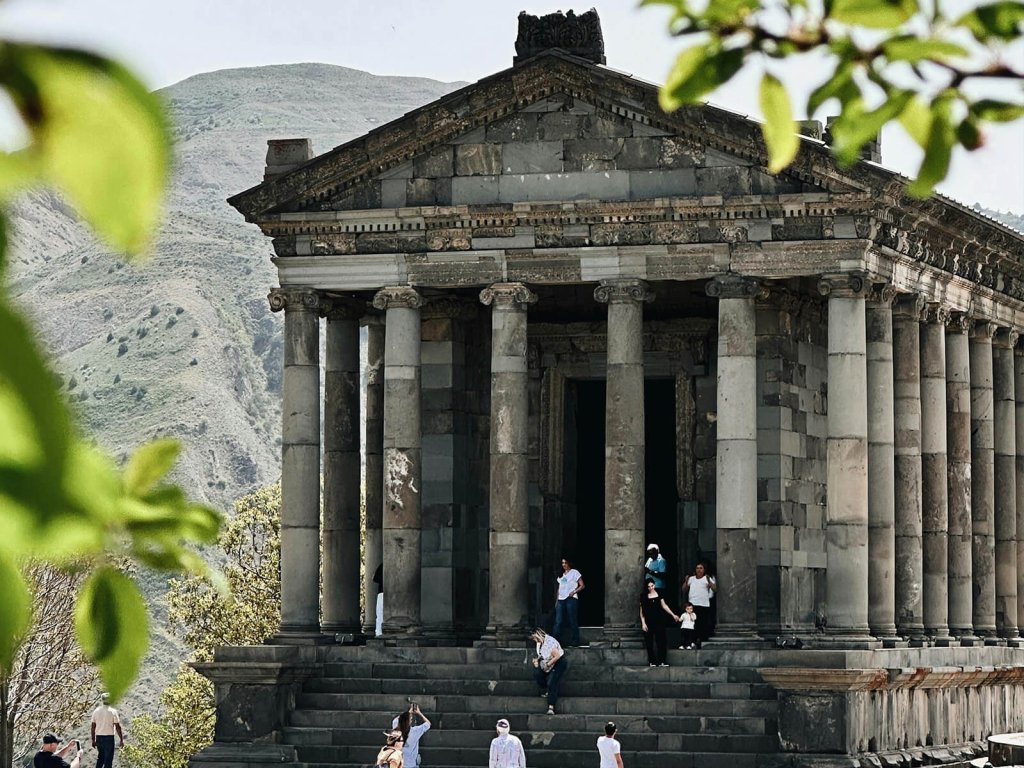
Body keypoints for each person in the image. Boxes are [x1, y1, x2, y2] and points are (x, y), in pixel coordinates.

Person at [640, 578, 678, 667]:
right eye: (648, 586)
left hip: (659, 620)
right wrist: (643, 623)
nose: (650, 588)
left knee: (661, 641)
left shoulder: (659, 593)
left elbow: (664, 606)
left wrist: (673, 615)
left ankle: (662, 661)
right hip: (648, 621)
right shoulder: (643, 596)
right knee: (649, 642)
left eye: (652, 586)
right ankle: (652, 661)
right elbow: (641, 611)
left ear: (654, 585)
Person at [530, 628, 568, 715]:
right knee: (537, 674)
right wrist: (537, 660)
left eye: (535, 638)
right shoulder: (539, 643)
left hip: (558, 662)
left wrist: (548, 665)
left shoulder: (549, 641)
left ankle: (551, 706)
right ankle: (546, 689)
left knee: (552, 682)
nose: (535, 640)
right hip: (547, 662)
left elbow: (557, 655)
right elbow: (542, 654)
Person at [682, 562, 717, 646]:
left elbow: (715, 589)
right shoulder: (691, 579)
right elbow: (684, 590)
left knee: (702, 624)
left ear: (704, 570)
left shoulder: (706, 578)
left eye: (701, 568)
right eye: (697, 568)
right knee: (692, 623)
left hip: (703, 605)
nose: (699, 570)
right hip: (692, 605)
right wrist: (686, 581)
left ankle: (701, 640)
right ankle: (692, 641)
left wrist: (709, 581)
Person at [552, 557, 584, 647]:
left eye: (565, 563)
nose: (564, 565)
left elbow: (582, 585)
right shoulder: (561, 574)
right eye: (562, 563)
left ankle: (575, 641)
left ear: (569, 563)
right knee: (558, 621)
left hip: (571, 598)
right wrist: (556, 601)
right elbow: (559, 588)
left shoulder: (574, 572)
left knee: (572, 619)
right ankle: (555, 643)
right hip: (561, 600)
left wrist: (573, 592)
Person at [90, 693, 124, 768]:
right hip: (109, 738)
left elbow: (93, 727)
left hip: (99, 738)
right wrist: (121, 739)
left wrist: (93, 740)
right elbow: (118, 727)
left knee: (100, 758)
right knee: (108, 760)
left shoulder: (96, 711)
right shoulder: (113, 711)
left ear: (102, 700)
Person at [373, 563, 384, 637]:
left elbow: (374, 578)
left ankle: (379, 633)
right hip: (382, 592)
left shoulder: (383, 564)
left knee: (380, 614)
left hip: (382, 592)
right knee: (380, 614)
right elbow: (375, 578)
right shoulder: (383, 565)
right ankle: (379, 633)